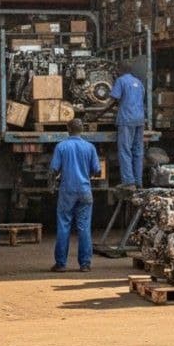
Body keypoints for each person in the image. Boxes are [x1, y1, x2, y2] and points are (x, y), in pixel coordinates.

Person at [49, 119, 101, 273]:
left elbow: (54, 170)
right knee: (84, 227)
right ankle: (85, 264)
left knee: (64, 226)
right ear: (82, 129)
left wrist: (51, 185)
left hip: (67, 191)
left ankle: (61, 264)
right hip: (85, 191)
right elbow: (97, 171)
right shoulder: (89, 147)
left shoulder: (61, 146)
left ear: (68, 129)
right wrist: (87, 174)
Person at [100, 63, 146, 187]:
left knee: (125, 150)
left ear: (120, 71)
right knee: (138, 151)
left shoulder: (121, 81)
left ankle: (128, 181)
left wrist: (100, 113)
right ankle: (138, 181)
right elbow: (141, 98)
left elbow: (114, 99)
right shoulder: (138, 82)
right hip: (140, 119)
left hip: (127, 119)